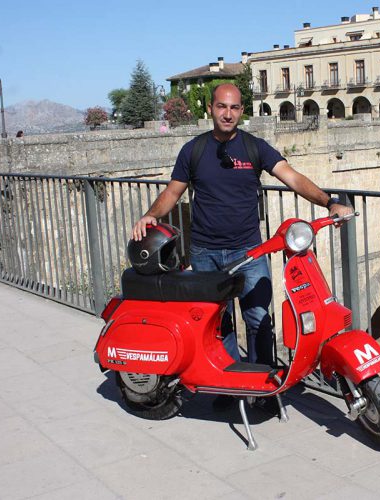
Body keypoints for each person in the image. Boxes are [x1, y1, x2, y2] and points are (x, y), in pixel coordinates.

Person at [131, 83, 352, 369]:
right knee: (216, 323)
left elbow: (293, 178)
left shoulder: (254, 147)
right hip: (205, 252)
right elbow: (173, 192)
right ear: (210, 108)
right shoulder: (193, 150)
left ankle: (262, 382)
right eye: (221, 106)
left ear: (241, 111)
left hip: (249, 252)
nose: (227, 113)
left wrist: (329, 202)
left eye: (234, 107)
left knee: (259, 319)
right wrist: (151, 215)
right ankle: (228, 384)